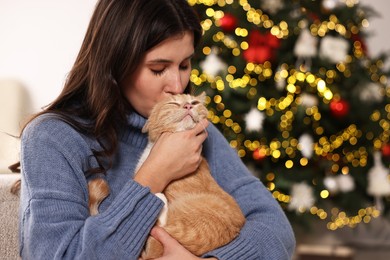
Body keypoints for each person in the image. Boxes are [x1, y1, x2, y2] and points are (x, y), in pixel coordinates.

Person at [18, 0, 296, 259]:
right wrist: (155, 173)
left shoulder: (196, 132)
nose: (177, 85)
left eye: (185, 65)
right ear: (115, 65)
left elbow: (276, 228)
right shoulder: (52, 138)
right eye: (158, 68)